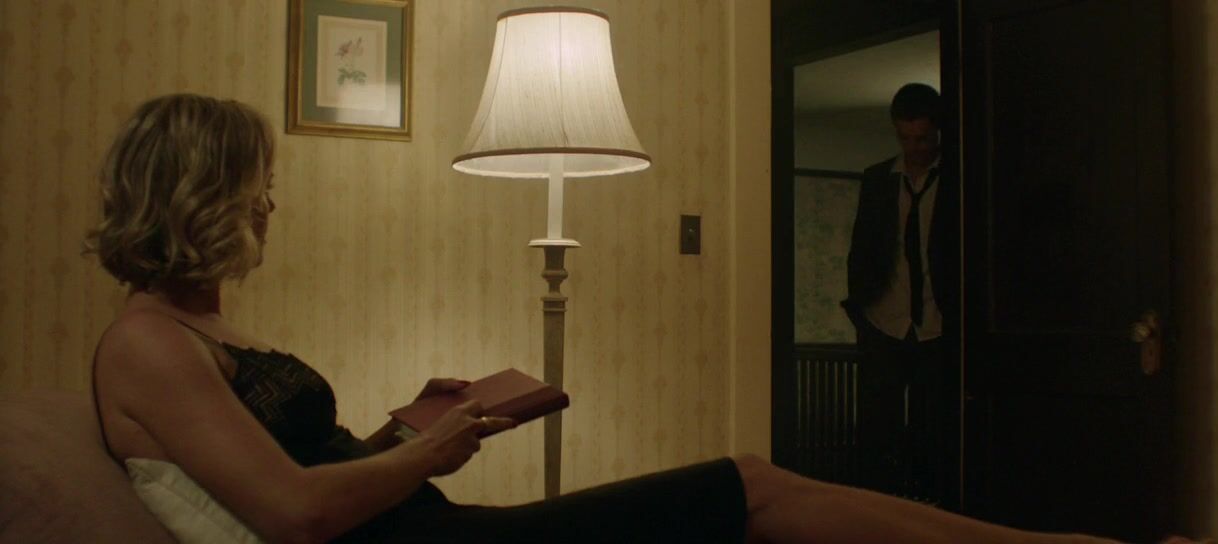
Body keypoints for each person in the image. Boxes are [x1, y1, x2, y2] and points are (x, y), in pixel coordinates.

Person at [87, 93, 1125, 543]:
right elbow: (297, 515)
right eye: (256, 186)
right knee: (750, 488)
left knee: (757, 490)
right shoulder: (147, 343)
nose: (270, 205)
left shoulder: (204, 329)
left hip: (429, 525)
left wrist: (410, 427)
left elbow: (313, 471)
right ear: (198, 195)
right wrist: (430, 453)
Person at [842, 83, 959, 503]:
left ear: (938, 132)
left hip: (940, 323)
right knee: (877, 429)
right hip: (883, 320)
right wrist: (861, 310)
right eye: (905, 138)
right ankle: (877, 510)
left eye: (922, 139)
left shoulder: (959, 178)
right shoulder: (878, 180)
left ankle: (932, 507)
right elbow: (862, 248)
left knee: (938, 427)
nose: (914, 149)